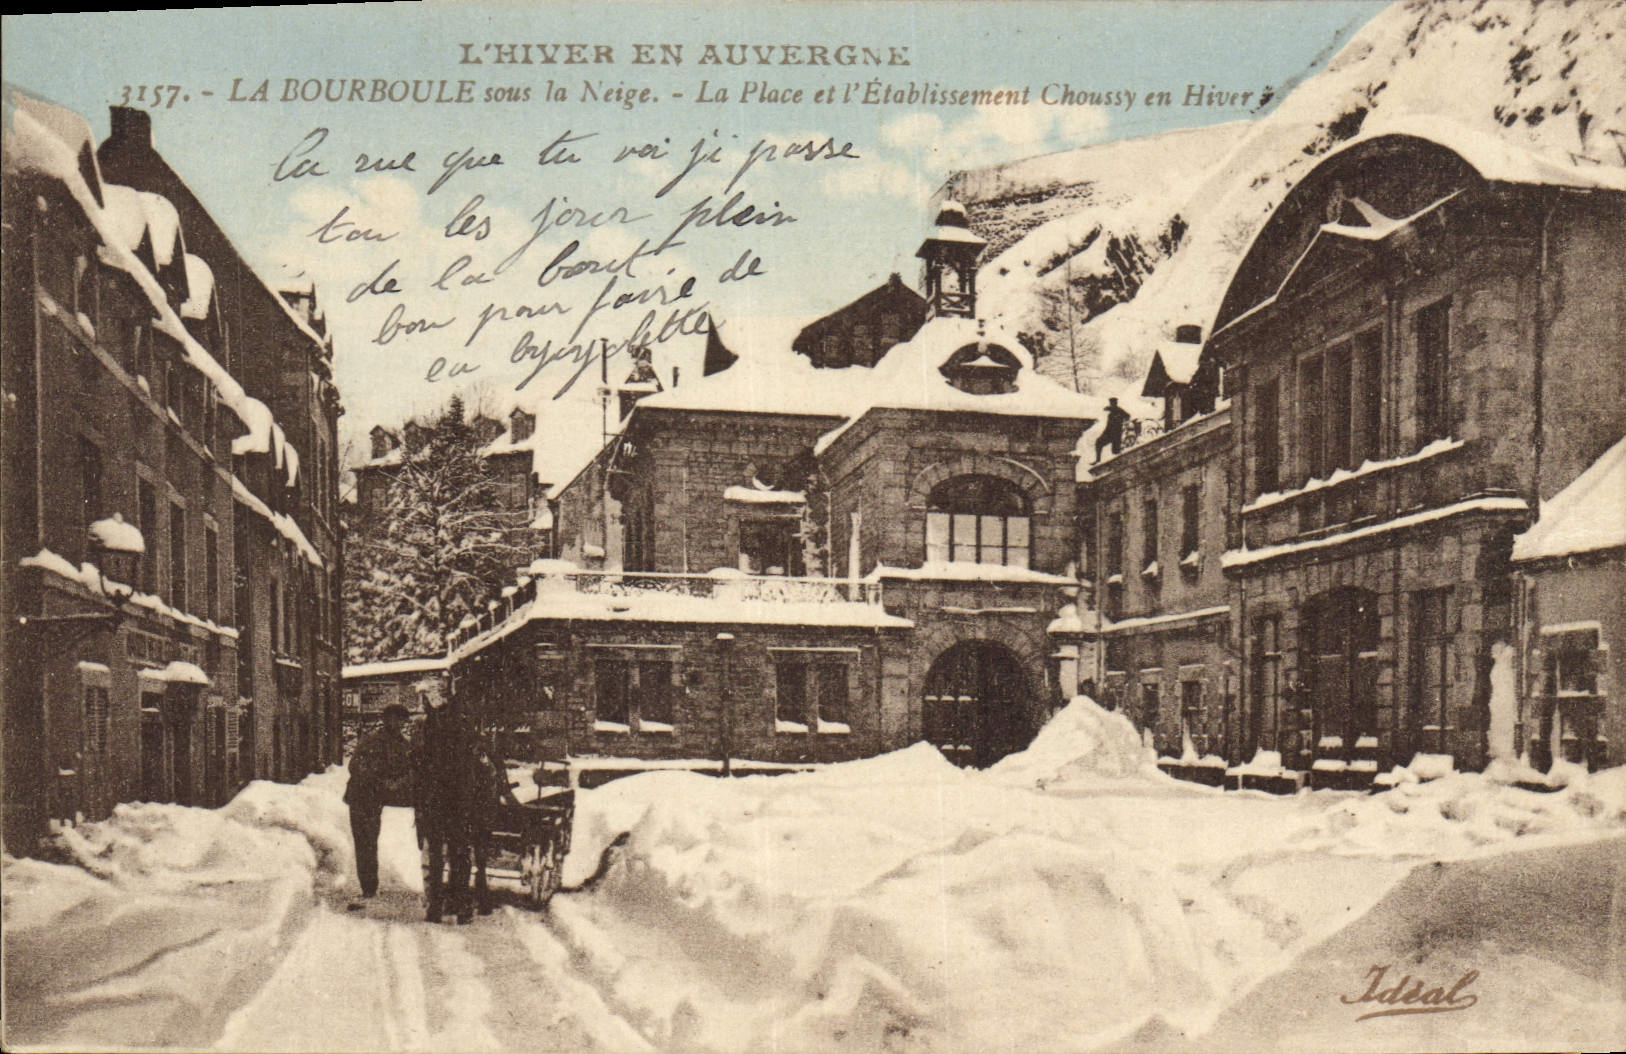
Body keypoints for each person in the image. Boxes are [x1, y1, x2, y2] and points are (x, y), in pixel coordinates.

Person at [414, 693, 483, 924]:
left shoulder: (433, 726)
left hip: (437, 802)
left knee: (436, 855)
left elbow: (422, 764)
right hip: (458, 802)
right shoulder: (462, 730)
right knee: (459, 854)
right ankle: (460, 906)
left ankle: (436, 906)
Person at [344, 703, 412, 909]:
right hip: (361, 794)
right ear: (386, 720)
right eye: (394, 719)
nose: (398, 724)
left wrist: (398, 782)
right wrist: (376, 778)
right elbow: (355, 766)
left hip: (376, 797)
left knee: (371, 838)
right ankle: (368, 886)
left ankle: (370, 884)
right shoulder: (371, 741)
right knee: (364, 839)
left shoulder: (403, 744)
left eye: (401, 720)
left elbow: (409, 769)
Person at [1094, 398, 1133, 463]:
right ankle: (1098, 460)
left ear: (1115, 403)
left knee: (1115, 451)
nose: (1112, 405)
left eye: (1113, 403)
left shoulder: (1118, 411)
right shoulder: (1112, 413)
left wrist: (1123, 424)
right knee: (1099, 443)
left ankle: (1118, 463)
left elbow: (1127, 415)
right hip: (1109, 433)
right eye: (1111, 403)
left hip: (1115, 434)